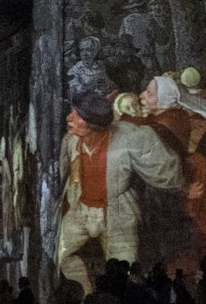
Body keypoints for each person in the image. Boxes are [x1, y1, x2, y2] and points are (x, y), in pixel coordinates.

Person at [56, 90, 183, 293]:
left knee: (124, 272)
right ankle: (86, 295)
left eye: (76, 115)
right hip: (81, 212)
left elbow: (167, 168)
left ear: (91, 126)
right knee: (56, 253)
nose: (69, 118)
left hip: (119, 213)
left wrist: (184, 184)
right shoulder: (71, 140)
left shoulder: (130, 138)